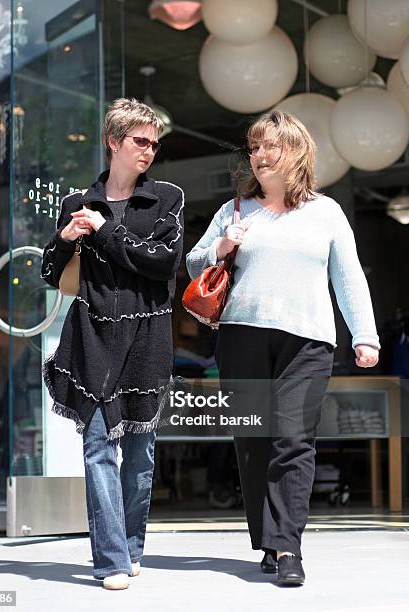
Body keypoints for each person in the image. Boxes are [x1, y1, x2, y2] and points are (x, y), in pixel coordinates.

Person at [185, 110, 379, 586]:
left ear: (297, 153)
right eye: (254, 148)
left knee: (293, 439)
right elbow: (194, 264)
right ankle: (268, 542)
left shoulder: (326, 211)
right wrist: (221, 248)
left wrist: (365, 334)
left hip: (307, 338)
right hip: (240, 336)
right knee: (252, 442)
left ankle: (288, 546)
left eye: (270, 147)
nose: (260, 156)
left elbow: (348, 276)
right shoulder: (234, 210)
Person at [41, 98, 184, 590]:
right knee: (99, 447)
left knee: (140, 455)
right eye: (140, 141)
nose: (149, 150)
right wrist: (65, 236)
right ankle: (111, 561)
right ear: (114, 142)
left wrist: (104, 232)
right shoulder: (77, 203)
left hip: (146, 337)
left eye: (154, 143)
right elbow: (48, 273)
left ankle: (131, 544)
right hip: (93, 336)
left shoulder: (166, 198)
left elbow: (163, 263)